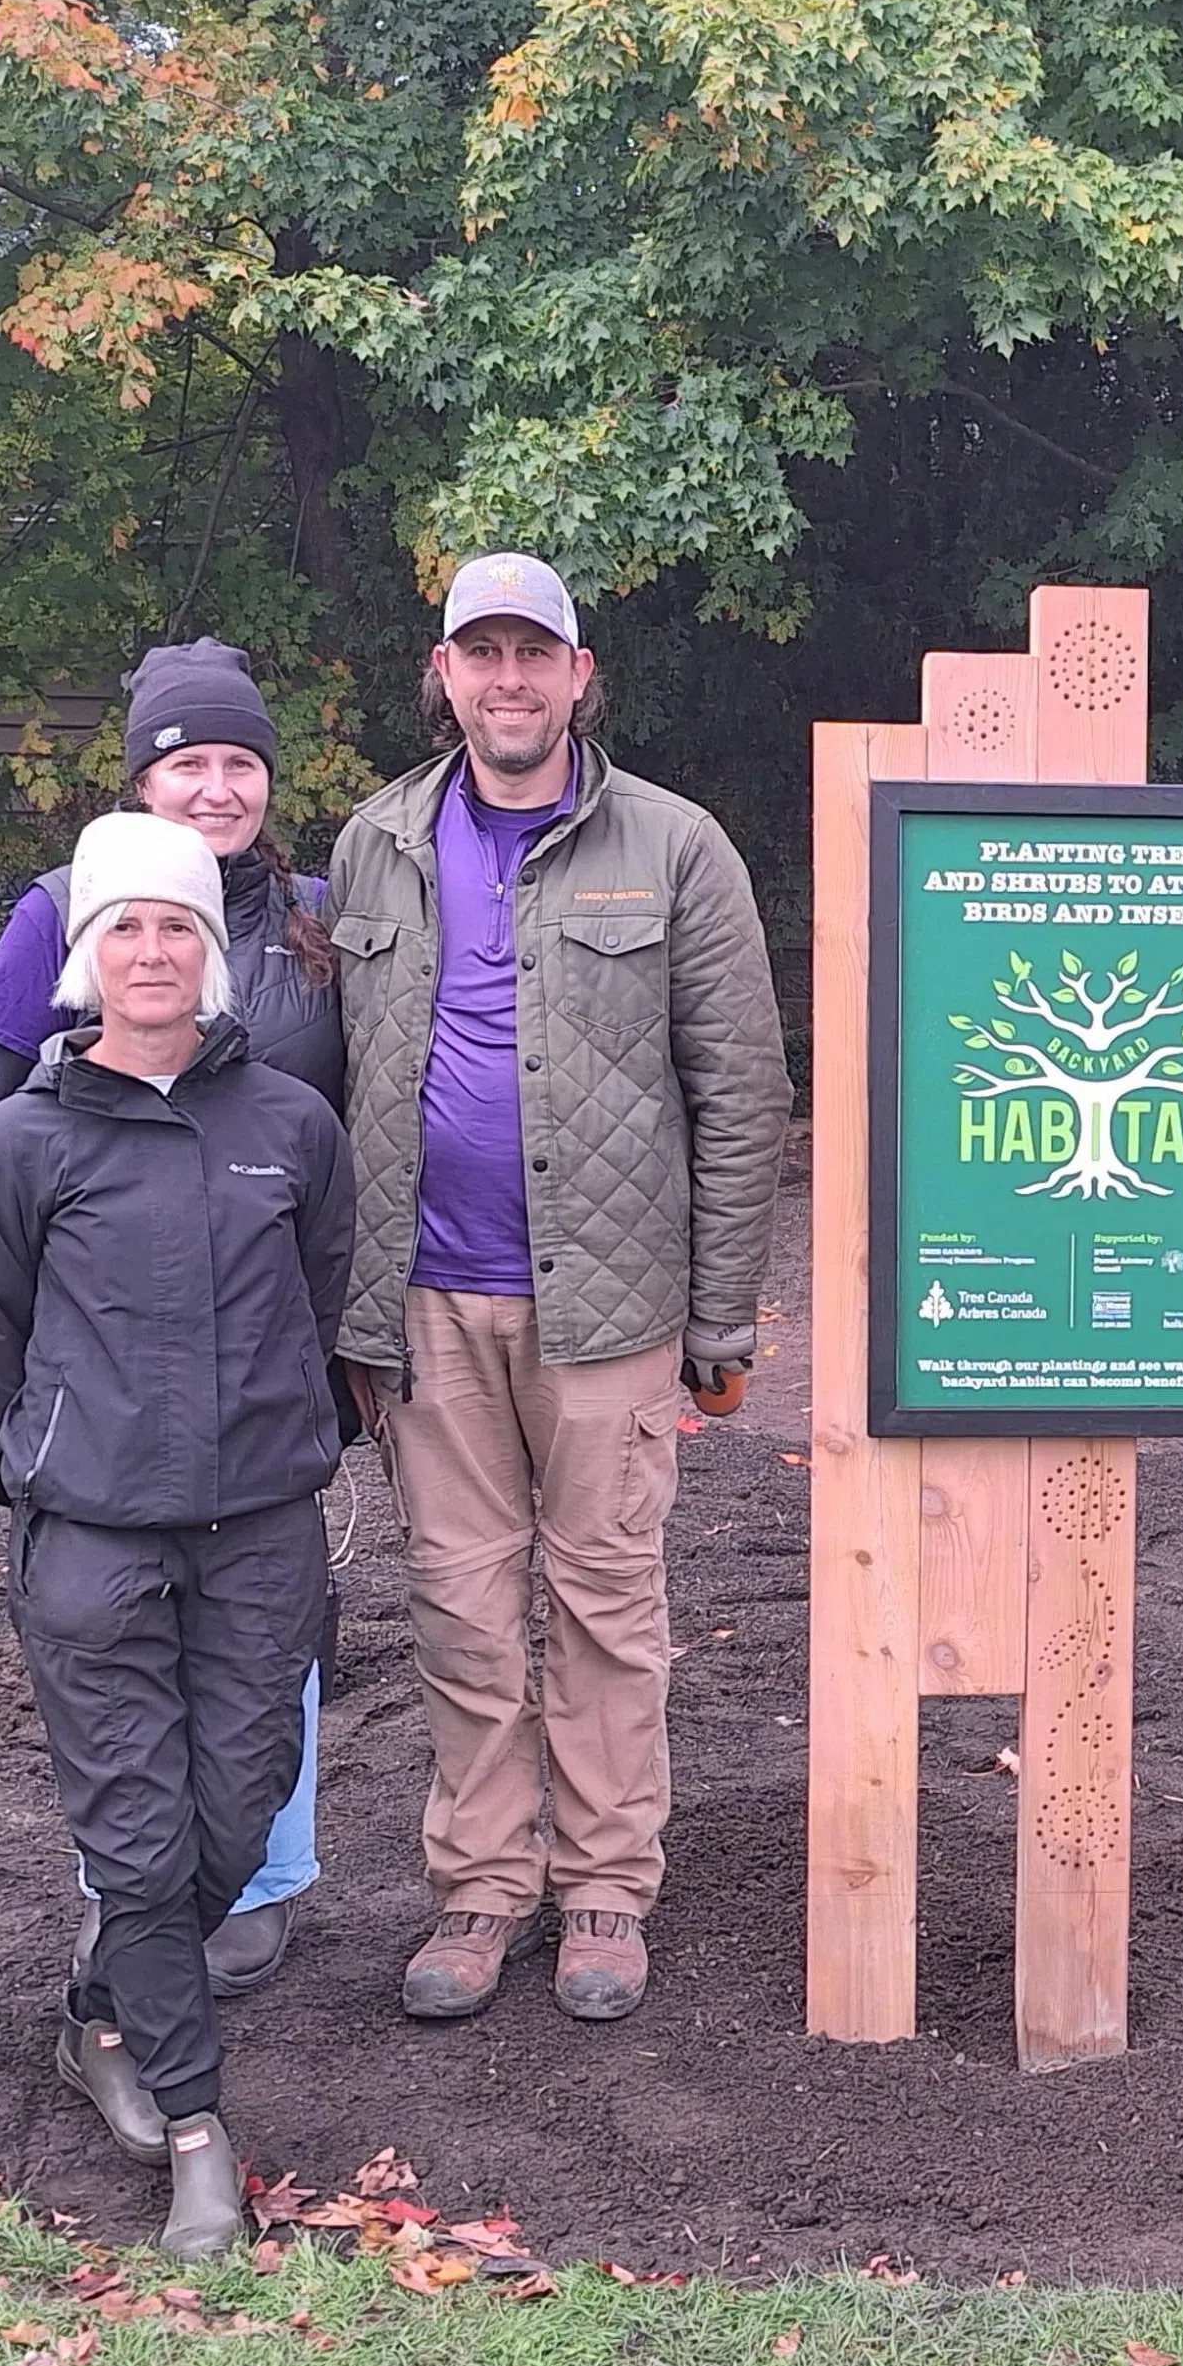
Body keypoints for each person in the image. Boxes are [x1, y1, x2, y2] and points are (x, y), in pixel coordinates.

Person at [326, 554, 787, 2028]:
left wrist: (722, 1318)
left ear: (582, 675)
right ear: (442, 673)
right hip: (424, 1305)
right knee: (459, 1607)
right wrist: (350, 1308)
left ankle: (604, 1885)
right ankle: (481, 1886)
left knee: (604, 1604)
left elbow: (739, 1091)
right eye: (482, 654)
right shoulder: (373, 845)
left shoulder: (675, 845)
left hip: (613, 1308)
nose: (508, 680)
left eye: (537, 654)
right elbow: (336, 1080)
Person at [0, 812, 354, 2259]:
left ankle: (99, 2015)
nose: (152, 948)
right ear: (85, 956)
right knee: (134, 1831)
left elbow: (319, 1293)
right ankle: (198, 2131)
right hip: (94, 1541)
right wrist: (77, 1443)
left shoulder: (292, 1131)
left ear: (212, 955)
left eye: (178, 925)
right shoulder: (22, 1143)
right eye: (123, 925)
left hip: (260, 1529)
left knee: (234, 1813)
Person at [0, 638, 338, 1994]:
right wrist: (42, 1396)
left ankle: (259, 1877)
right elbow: (0, 1129)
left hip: (261, 1311)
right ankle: (126, 1895)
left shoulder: (316, 911)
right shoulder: (58, 906)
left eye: (241, 761)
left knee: (266, 1620)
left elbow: (332, 1148)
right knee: (117, 1632)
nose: (218, 787)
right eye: (190, 763)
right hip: (107, 1341)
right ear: (141, 778)